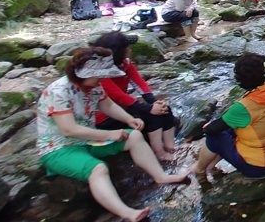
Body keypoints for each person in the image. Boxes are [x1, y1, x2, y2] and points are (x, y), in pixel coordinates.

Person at [36, 47, 190, 222]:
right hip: (58, 148)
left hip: (87, 141)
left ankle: (160, 176)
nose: (101, 79)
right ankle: (126, 212)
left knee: (134, 136)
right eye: (98, 75)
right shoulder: (59, 91)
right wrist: (110, 135)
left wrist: (129, 119)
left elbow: (107, 105)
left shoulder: (94, 86)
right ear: (83, 74)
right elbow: (68, 129)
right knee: (98, 169)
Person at [194, 52, 265, 180]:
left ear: (239, 80)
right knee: (230, 129)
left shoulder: (243, 107)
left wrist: (207, 128)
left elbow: (210, 130)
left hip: (259, 167)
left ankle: (199, 170)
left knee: (214, 137)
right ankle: (211, 166)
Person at [93, 32, 177, 161]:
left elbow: (140, 84)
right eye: (127, 47)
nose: (130, 49)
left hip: (123, 107)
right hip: (106, 116)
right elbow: (118, 96)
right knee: (151, 115)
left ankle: (170, 146)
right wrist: (149, 108)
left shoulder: (125, 63)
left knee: (164, 109)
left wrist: (154, 102)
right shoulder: (98, 71)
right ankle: (159, 153)